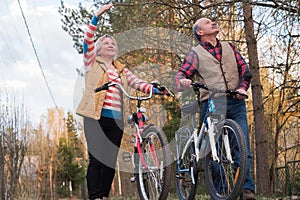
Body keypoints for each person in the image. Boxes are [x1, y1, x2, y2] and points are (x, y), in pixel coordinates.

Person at [76, 4, 164, 200]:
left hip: (116, 120)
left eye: (113, 43)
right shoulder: (92, 62)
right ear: (98, 49)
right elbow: (87, 39)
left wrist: (156, 89)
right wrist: (96, 17)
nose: (110, 45)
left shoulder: (121, 69)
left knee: (108, 161)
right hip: (95, 117)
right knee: (96, 159)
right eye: (106, 42)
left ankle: (103, 196)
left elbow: (137, 82)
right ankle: (94, 196)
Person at [174, 18, 255, 200]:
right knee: (214, 151)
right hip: (212, 103)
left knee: (242, 149)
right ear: (200, 32)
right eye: (208, 22)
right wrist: (183, 81)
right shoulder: (195, 54)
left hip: (235, 101)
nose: (213, 23)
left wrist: (243, 87)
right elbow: (181, 75)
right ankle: (221, 191)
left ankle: (246, 190)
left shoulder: (229, 47)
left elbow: (245, 70)